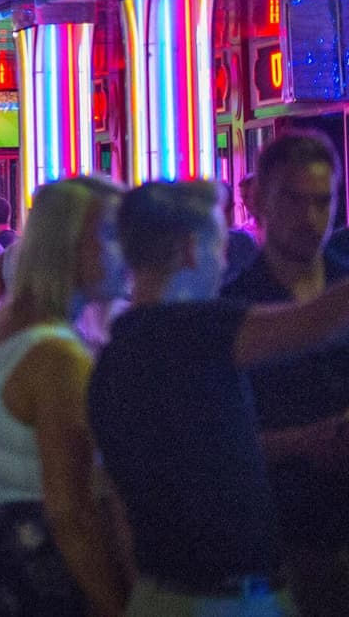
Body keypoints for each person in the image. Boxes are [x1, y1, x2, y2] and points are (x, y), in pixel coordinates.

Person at [91, 178, 349, 617]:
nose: (225, 256)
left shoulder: (113, 356)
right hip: (223, 599)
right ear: (190, 248)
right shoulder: (193, 329)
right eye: (219, 240)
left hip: (160, 591)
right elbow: (313, 324)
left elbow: (130, 495)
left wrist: (305, 439)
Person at [0, 176, 126, 617]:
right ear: (70, 244)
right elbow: (72, 512)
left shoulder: (8, 327)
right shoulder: (55, 354)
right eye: (110, 236)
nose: (123, 253)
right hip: (49, 568)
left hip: (7, 549)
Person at [222, 136, 349, 617]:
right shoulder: (235, 307)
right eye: (294, 199)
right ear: (258, 200)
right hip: (281, 542)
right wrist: (303, 441)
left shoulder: (342, 282)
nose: (310, 218)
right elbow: (218, 439)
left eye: (323, 202)